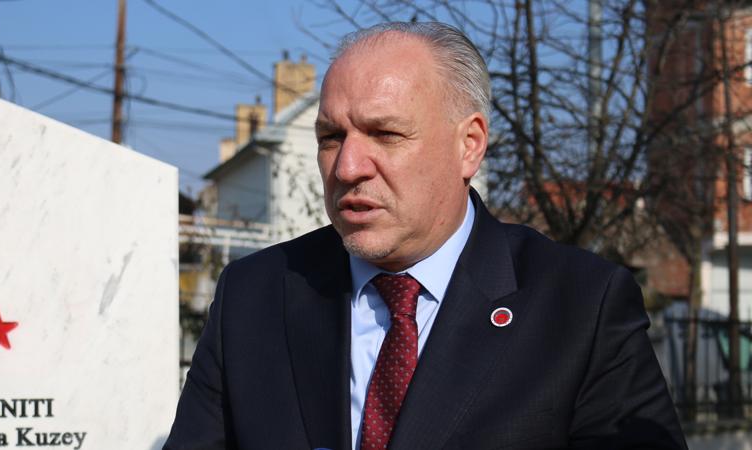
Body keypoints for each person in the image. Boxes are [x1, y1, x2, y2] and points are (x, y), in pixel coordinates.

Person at [164, 22, 686, 450]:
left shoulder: (580, 308)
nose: (347, 166)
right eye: (331, 137)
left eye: (386, 134)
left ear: (469, 146)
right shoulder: (253, 297)